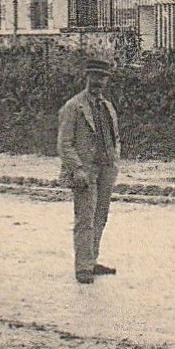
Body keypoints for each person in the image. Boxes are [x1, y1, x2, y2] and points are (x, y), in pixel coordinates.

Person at [57, 56, 121, 285]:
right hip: (85, 172)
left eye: (103, 78)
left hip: (105, 169)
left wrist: (115, 161)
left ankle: (92, 260)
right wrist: (77, 169)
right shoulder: (74, 107)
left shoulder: (107, 106)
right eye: (95, 77)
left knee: (100, 217)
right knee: (85, 218)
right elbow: (64, 143)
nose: (99, 82)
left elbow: (115, 137)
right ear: (87, 78)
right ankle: (82, 267)